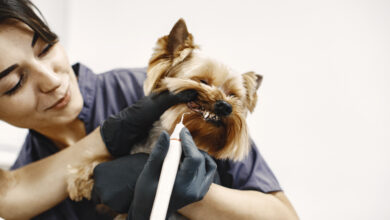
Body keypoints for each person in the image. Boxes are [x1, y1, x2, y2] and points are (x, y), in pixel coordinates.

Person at [0, 0, 299, 219]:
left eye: (46, 48)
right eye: (14, 82)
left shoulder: (163, 92)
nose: (52, 80)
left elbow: (282, 216)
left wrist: (183, 191)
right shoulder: (26, 186)